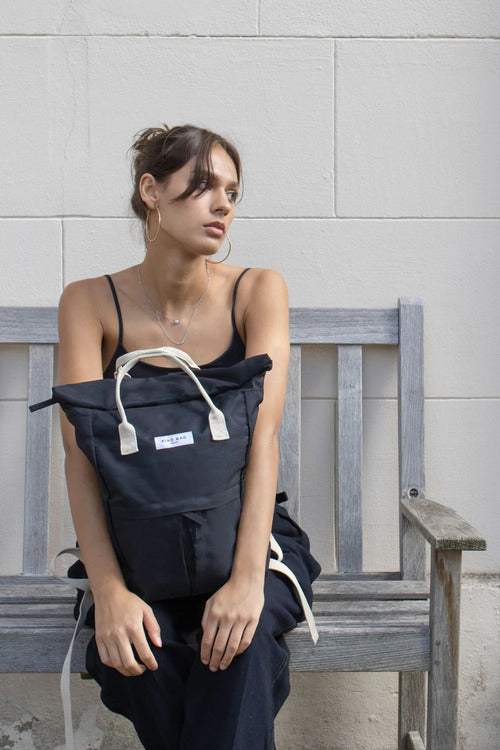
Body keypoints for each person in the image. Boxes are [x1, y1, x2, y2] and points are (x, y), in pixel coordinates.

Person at [58, 123, 321, 749]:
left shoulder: (258, 290)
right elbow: (79, 459)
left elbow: (263, 439)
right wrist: (109, 592)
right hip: (137, 546)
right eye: (203, 185)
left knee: (242, 642)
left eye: (231, 191)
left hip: (247, 539)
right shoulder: (89, 303)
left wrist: (247, 580)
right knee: (140, 652)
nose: (223, 204)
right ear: (151, 190)